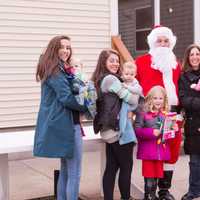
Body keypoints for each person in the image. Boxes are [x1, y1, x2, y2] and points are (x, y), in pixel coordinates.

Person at [33, 35, 87, 200]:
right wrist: (87, 106)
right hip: (67, 125)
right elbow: (67, 98)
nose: (66, 51)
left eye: (68, 47)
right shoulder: (56, 70)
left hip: (63, 123)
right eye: (62, 47)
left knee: (66, 170)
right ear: (54, 48)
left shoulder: (57, 68)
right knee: (75, 172)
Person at [135, 25, 182, 200]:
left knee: (172, 150)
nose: (163, 44)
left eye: (166, 41)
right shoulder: (140, 61)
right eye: (159, 40)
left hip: (173, 115)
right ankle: (150, 192)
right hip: (151, 115)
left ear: (171, 43)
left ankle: (164, 190)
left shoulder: (176, 64)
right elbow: (135, 87)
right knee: (152, 151)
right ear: (153, 42)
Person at [92, 49, 140, 200]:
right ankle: (126, 197)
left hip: (110, 130)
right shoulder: (110, 80)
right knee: (126, 167)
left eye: (117, 60)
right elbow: (132, 100)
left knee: (112, 167)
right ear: (104, 62)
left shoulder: (107, 79)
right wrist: (133, 92)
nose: (116, 63)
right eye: (111, 60)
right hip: (117, 131)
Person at [135, 86, 179, 200]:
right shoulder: (143, 112)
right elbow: (137, 130)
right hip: (148, 151)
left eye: (160, 98)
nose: (158, 101)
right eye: (155, 98)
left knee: (158, 175)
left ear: (164, 99)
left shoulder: (166, 114)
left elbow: (168, 136)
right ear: (150, 98)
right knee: (149, 176)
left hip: (161, 151)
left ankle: (154, 195)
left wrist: (173, 129)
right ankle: (149, 196)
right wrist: (151, 132)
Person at [178, 44, 200, 200]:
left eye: (197, 54)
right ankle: (194, 191)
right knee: (195, 161)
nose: (195, 57)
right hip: (193, 123)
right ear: (187, 57)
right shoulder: (184, 77)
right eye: (191, 54)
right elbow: (184, 99)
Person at [119, 61, 143, 145]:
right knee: (127, 118)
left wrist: (127, 87)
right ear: (122, 73)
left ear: (135, 74)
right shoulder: (121, 81)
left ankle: (135, 134)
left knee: (138, 120)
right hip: (127, 104)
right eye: (127, 74)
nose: (129, 76)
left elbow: (138, 90)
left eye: (132, 74)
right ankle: (126, 132)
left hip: (136, 105)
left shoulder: (134, 82)